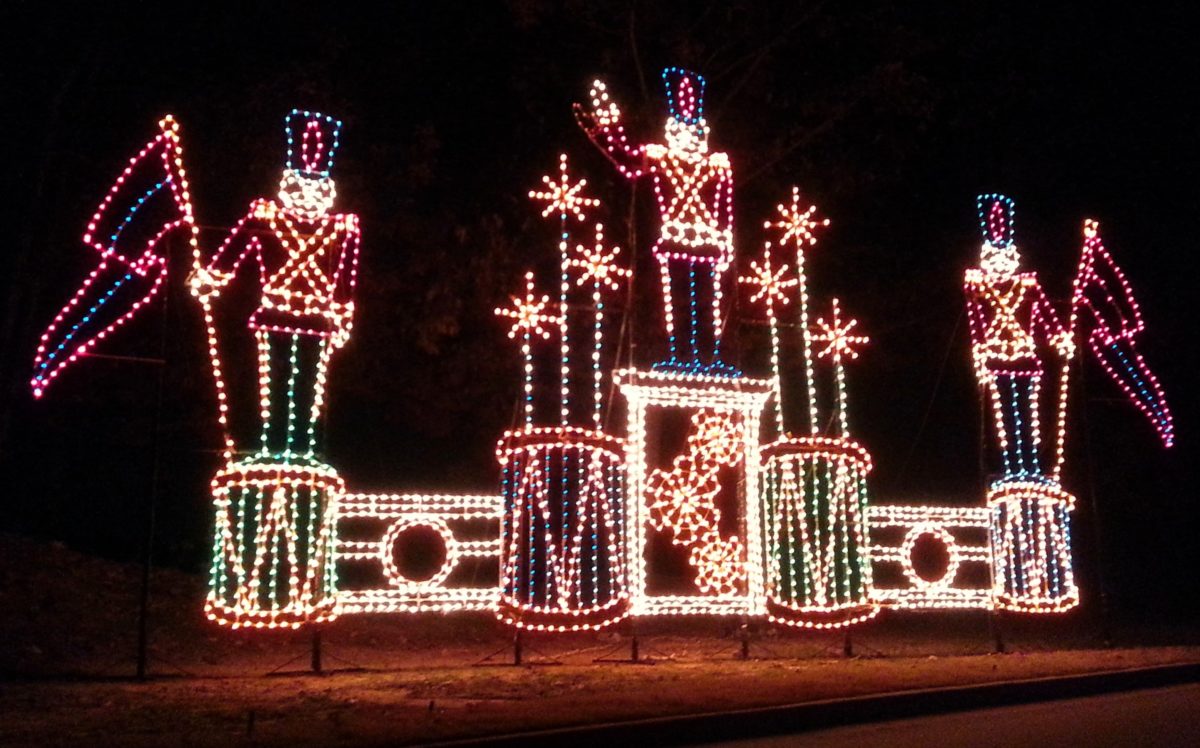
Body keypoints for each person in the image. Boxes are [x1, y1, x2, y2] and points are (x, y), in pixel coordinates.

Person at [575, 67, 738, 376]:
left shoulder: (718, 165)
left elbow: (725, 211)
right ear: (673, 128)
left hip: (708, 244)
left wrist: (727, 243)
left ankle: (709, 358)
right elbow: (627, 161)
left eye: (695, 130)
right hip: (675, 239)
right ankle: (679, 357)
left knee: (707, 304)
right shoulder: (660, 157)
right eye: (682, 128)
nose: (689, 136)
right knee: (677, 300)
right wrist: (604, 132)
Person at [964, 194, 1072, 484]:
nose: (999, 264)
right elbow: (976, 322)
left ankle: (1031, 468)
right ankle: (1012, 469)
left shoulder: (1028, 287)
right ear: (986, 259)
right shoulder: (979, 288)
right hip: (996, 359)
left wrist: (1060, 338)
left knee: (1028, 418)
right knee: (1004, 423)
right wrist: (978, 350)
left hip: (1025, 358)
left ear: (1013, 259)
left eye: (1004, 259)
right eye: (993, 259)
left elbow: (1048, 317)